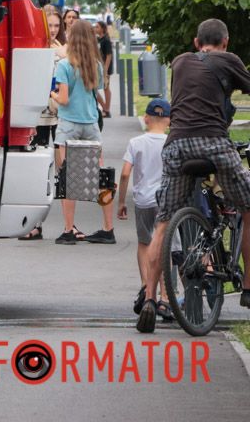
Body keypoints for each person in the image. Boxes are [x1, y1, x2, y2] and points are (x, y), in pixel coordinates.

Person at [139, 18, 250, 333]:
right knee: (247, 204)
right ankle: (249, 288)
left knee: (163, 222)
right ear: (225, 42)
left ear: (195, 41)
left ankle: (149, 298)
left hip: (176, 147)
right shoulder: (229, 60)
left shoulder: (180, 62)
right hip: (213, 143)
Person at [50, 20, 113, 244]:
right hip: (91, 124)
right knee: (101, 176)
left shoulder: (64, 66)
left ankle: (68, 230)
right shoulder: (95, 65)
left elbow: (64, 99)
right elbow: (94, 93)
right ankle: (108, 228)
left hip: (69, 126)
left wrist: (52, 94)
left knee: (68, 177)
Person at [118, 98, 171, 322]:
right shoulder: (171, 142)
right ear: (168, 121)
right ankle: (166, 297)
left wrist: (121, 201)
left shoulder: (136, 142)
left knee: (144, 243)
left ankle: (145, 286)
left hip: (142, 201)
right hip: (166, 201)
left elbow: (125, 173)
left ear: (146, 118)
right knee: (165, 245)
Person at [21, 7, 67, 241]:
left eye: (57, 26)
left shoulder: (61, 49)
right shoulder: (35, 47)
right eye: (50, 25)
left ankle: (69, 225)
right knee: (39, 172)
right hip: (37, 115)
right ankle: (35, 223)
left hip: (58, 114)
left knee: (62, 169)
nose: (53, 30)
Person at [95, 21, 114, 118]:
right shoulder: (99, 39)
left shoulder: (106, 40)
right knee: (95, 88)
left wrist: (105, 70)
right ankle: (104, 107)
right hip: (99, 67)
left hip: (105, 68)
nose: (95, 28)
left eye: (97, 27)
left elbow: (109, 55)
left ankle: (107, 109)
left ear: (102, 28)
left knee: (106, 87)